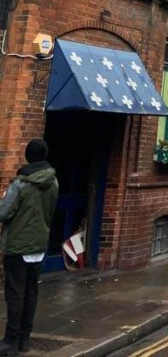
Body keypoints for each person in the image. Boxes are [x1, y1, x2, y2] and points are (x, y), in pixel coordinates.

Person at [0, 139, 58, 355]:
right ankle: (24, 339)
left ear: (27, 155)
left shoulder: (21, 184)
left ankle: (11, 340)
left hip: (18, 245)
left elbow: (4, 213)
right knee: (31, 292)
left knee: (15, 293)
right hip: (39, 245)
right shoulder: (53, 182)